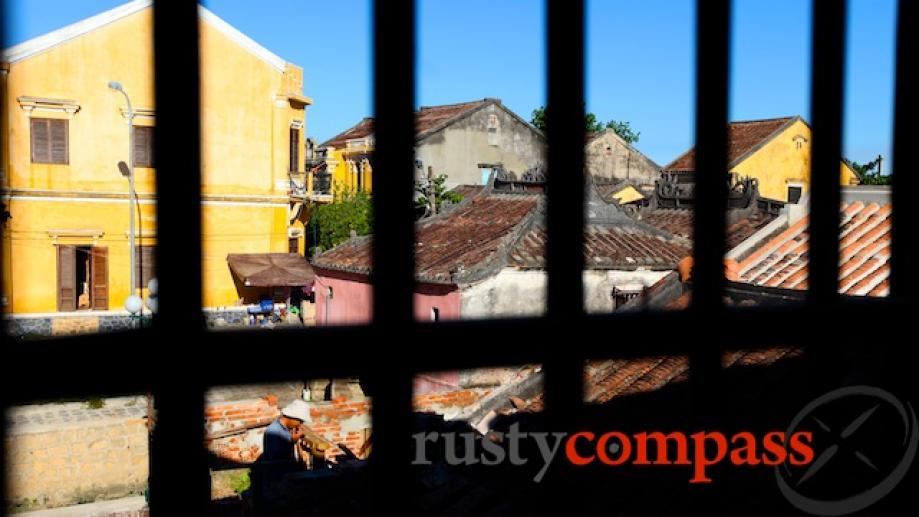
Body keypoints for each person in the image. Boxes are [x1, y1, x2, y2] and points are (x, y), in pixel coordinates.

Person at [253, 400, 311, 514]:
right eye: (299, 421)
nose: (300, 425)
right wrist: (292, 440)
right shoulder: (273, 431)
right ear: (292, 417)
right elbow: (275, 457)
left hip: (282, 475)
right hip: (275, 478)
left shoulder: (283, 428)